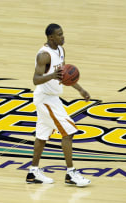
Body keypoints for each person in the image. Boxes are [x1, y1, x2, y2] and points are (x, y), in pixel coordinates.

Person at [26, 23, 91, 187]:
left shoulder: (61, 50)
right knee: (68, 132)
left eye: (63, 34)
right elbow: (35, 79)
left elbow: (65, 76)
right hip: (45, 99)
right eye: (59, 35)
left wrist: (80, 90)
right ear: (51, 37)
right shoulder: (44, 55)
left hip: (53, 98)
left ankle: (33, 172)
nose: (63, 37)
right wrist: (52, 75)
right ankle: (71, 174)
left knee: (42, 136)